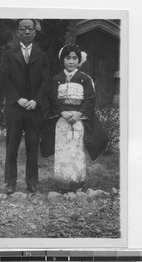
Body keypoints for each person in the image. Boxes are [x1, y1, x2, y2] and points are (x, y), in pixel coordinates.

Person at [40, 43, 108, 191]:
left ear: (79, 60)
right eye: (68, 58)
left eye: (74, 58)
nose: (71, 61)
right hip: (62, 120)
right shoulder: (56, 79)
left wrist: (78, 113)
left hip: (78, 120)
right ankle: (62, 183)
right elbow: (52, 97)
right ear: (62, 60)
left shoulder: (85, 79)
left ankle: (77, 182)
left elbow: (90, 98)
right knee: (62, 150)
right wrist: (62, 112)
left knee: (76, 150)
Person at [0, 19, 50, 194]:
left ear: (35, 33)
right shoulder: (9, 54)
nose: (27, 31)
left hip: (33, 109)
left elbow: (46, 81)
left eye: (30, 29)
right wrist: (17, 99)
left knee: (32, 146)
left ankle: (32, 182)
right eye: (23, 29)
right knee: (11, 147)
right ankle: (10, 183)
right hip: (15, 108)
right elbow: (4, 79)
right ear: (18, 32)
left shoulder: (41, 55)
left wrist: (36, 100)